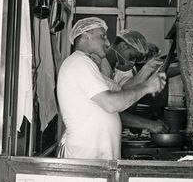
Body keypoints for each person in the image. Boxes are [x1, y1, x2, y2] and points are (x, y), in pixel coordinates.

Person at [57, 17, 167, 160]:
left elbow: (120, 92)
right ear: (86, 35)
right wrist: (147, 87)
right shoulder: (80, 63)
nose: (108, 42)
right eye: (102, 36)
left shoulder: (88, 65)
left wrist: (147, 70)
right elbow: (111, 104)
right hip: (85, 155)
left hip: (96, 155)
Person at [102, 29, 169, 134]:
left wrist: (147, 69)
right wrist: (149, 124)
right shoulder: (101, 68)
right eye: (132, 56)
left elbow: (123, 90)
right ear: (123, 45)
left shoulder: (110, 69)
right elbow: (112, 109)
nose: (132, 62)